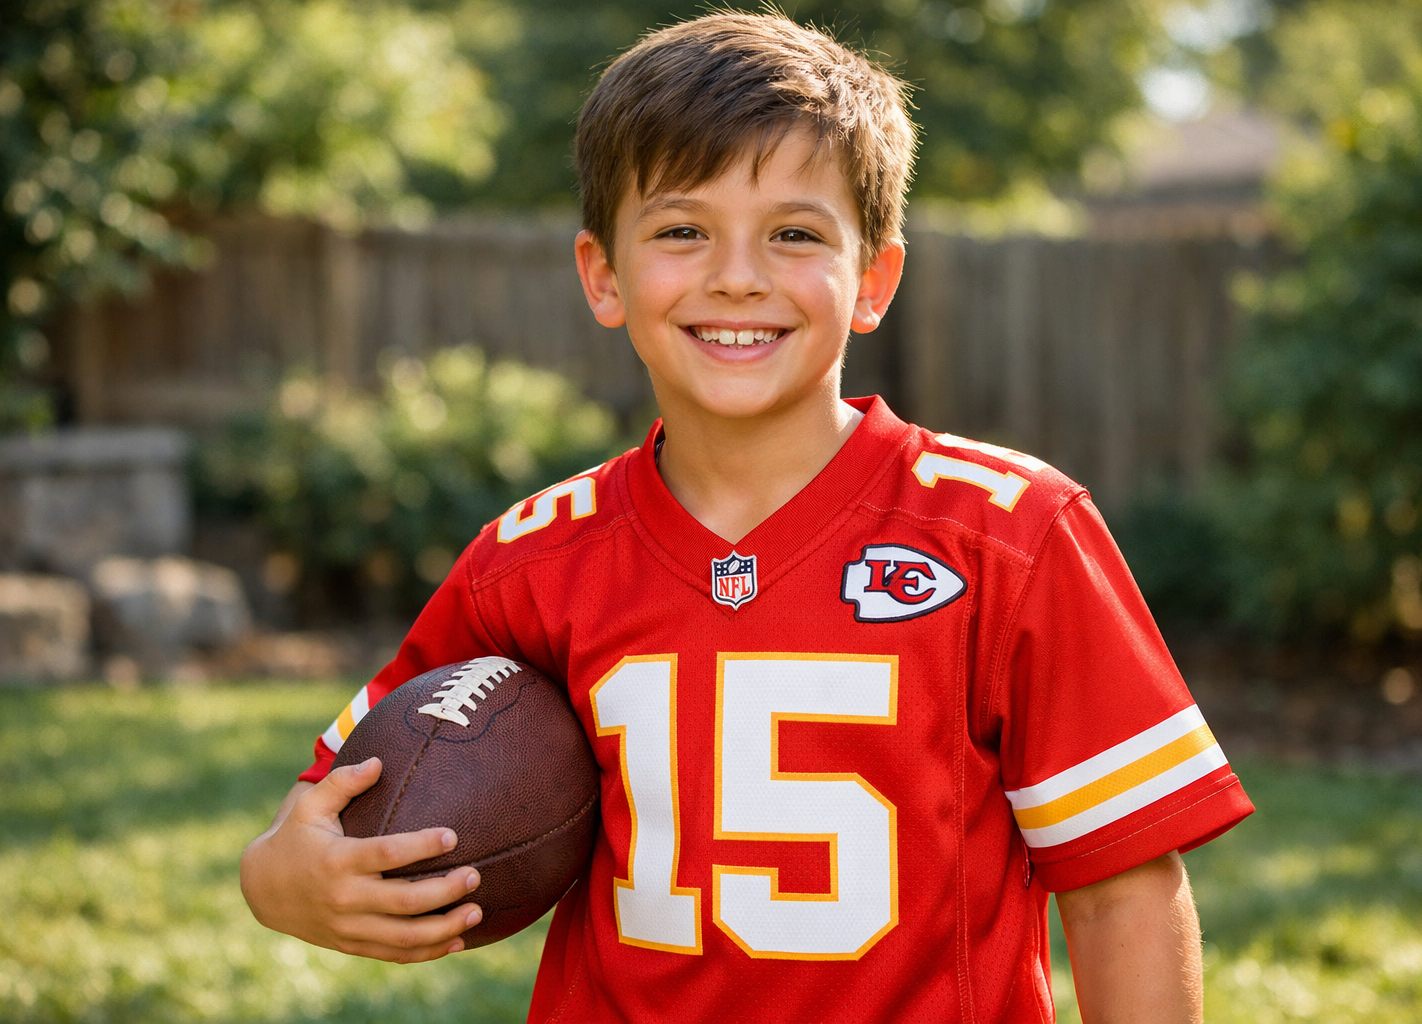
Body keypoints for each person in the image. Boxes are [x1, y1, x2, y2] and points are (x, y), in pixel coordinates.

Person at [240, 12, 1253, 1022]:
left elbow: (1123, 885)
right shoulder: (531, 559)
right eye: (683, 230)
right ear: (603, 274)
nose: (737, 274)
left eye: (795, 234)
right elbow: (325, 812)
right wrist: (280, 883)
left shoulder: (1011, 535)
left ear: (874, 278)